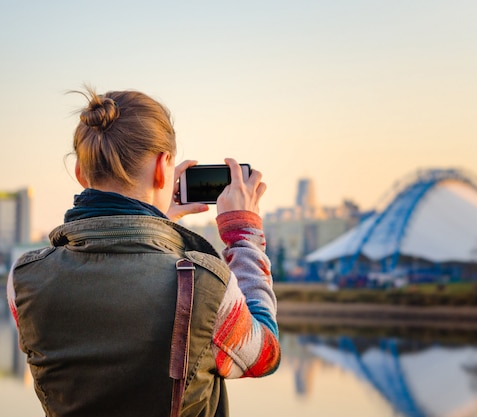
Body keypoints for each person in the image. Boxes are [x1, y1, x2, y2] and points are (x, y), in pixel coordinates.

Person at [6, 88, 281, 417]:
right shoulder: (207, 286)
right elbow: (264, 354)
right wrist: (243, 233)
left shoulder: (23, 279)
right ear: (165, 166)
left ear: (80, 173)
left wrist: (161, 221)